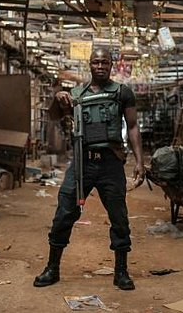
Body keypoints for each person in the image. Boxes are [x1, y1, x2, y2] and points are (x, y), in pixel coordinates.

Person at [34, 47, 145, 291]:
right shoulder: (76, 94)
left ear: (112, 65)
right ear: (90, 65)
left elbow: (134, 126)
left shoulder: (122, 93)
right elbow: (53, 116)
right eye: (96, 62)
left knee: (119, 217)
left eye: (105, 62)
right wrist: (57, 98)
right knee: (64, 212)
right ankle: (52, 268)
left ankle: (121, 272)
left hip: (111, 163)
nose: (100, 66)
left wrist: (139, 161)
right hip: (82, 163)